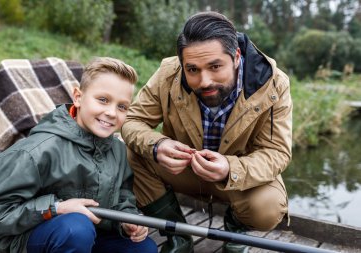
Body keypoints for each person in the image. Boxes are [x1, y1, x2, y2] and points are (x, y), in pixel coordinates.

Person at [121, 11, 292, 253]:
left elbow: (277, 152)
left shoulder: (275, 84)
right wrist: (157, 145)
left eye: (215, 67)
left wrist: (230, 169)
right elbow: (133, 120)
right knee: (128, 154)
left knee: (269, 207)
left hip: (238, 179)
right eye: (192, 70)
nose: (204, 81)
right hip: (184, 169)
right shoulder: (168, 73)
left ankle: (235, 231)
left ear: (236, 57)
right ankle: (177, 234)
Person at [0, 57, 158, 253]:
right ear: (78, 97)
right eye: (103, 100)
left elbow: (123, 197)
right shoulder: (37, 150)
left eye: (122, 106)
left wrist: (127, 221)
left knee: (145, 248)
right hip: (33, 238)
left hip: (91, 235)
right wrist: (56, 208)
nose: (111, 113)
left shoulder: (117, 149)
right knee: (76, 229)